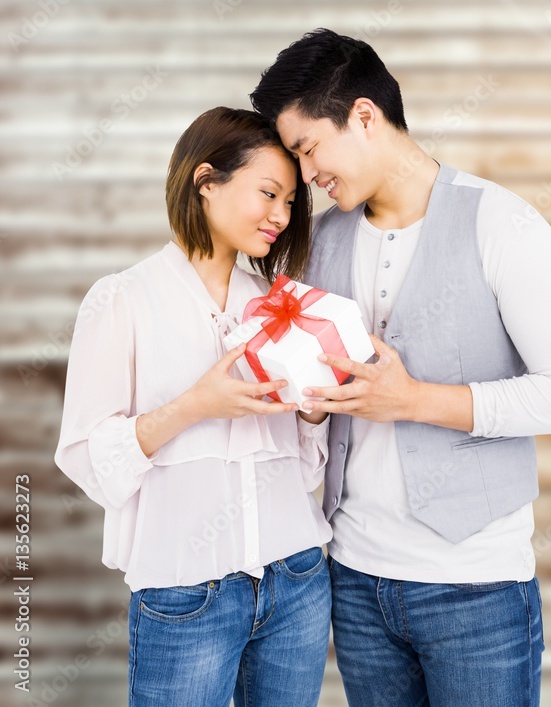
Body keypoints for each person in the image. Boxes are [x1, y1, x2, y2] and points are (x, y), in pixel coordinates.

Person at [250, 30, 551, 706]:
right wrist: (310, 396)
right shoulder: (324, 238)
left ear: (362, 115)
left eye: (307, 148)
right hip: (354, 580)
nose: (305, 174)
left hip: (474, 584)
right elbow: (323, 400)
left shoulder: (502, 223)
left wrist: (415, 399)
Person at [54, 106, 334, 707]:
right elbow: (87, 459)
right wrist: (196, 405)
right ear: (206, 181)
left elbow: (307, 467)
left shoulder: (283, 306)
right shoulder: (122, 300)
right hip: (187, 592)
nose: (282, 216)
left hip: (298, 578)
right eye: (268, 193)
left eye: (291, 201)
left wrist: (314, 409)